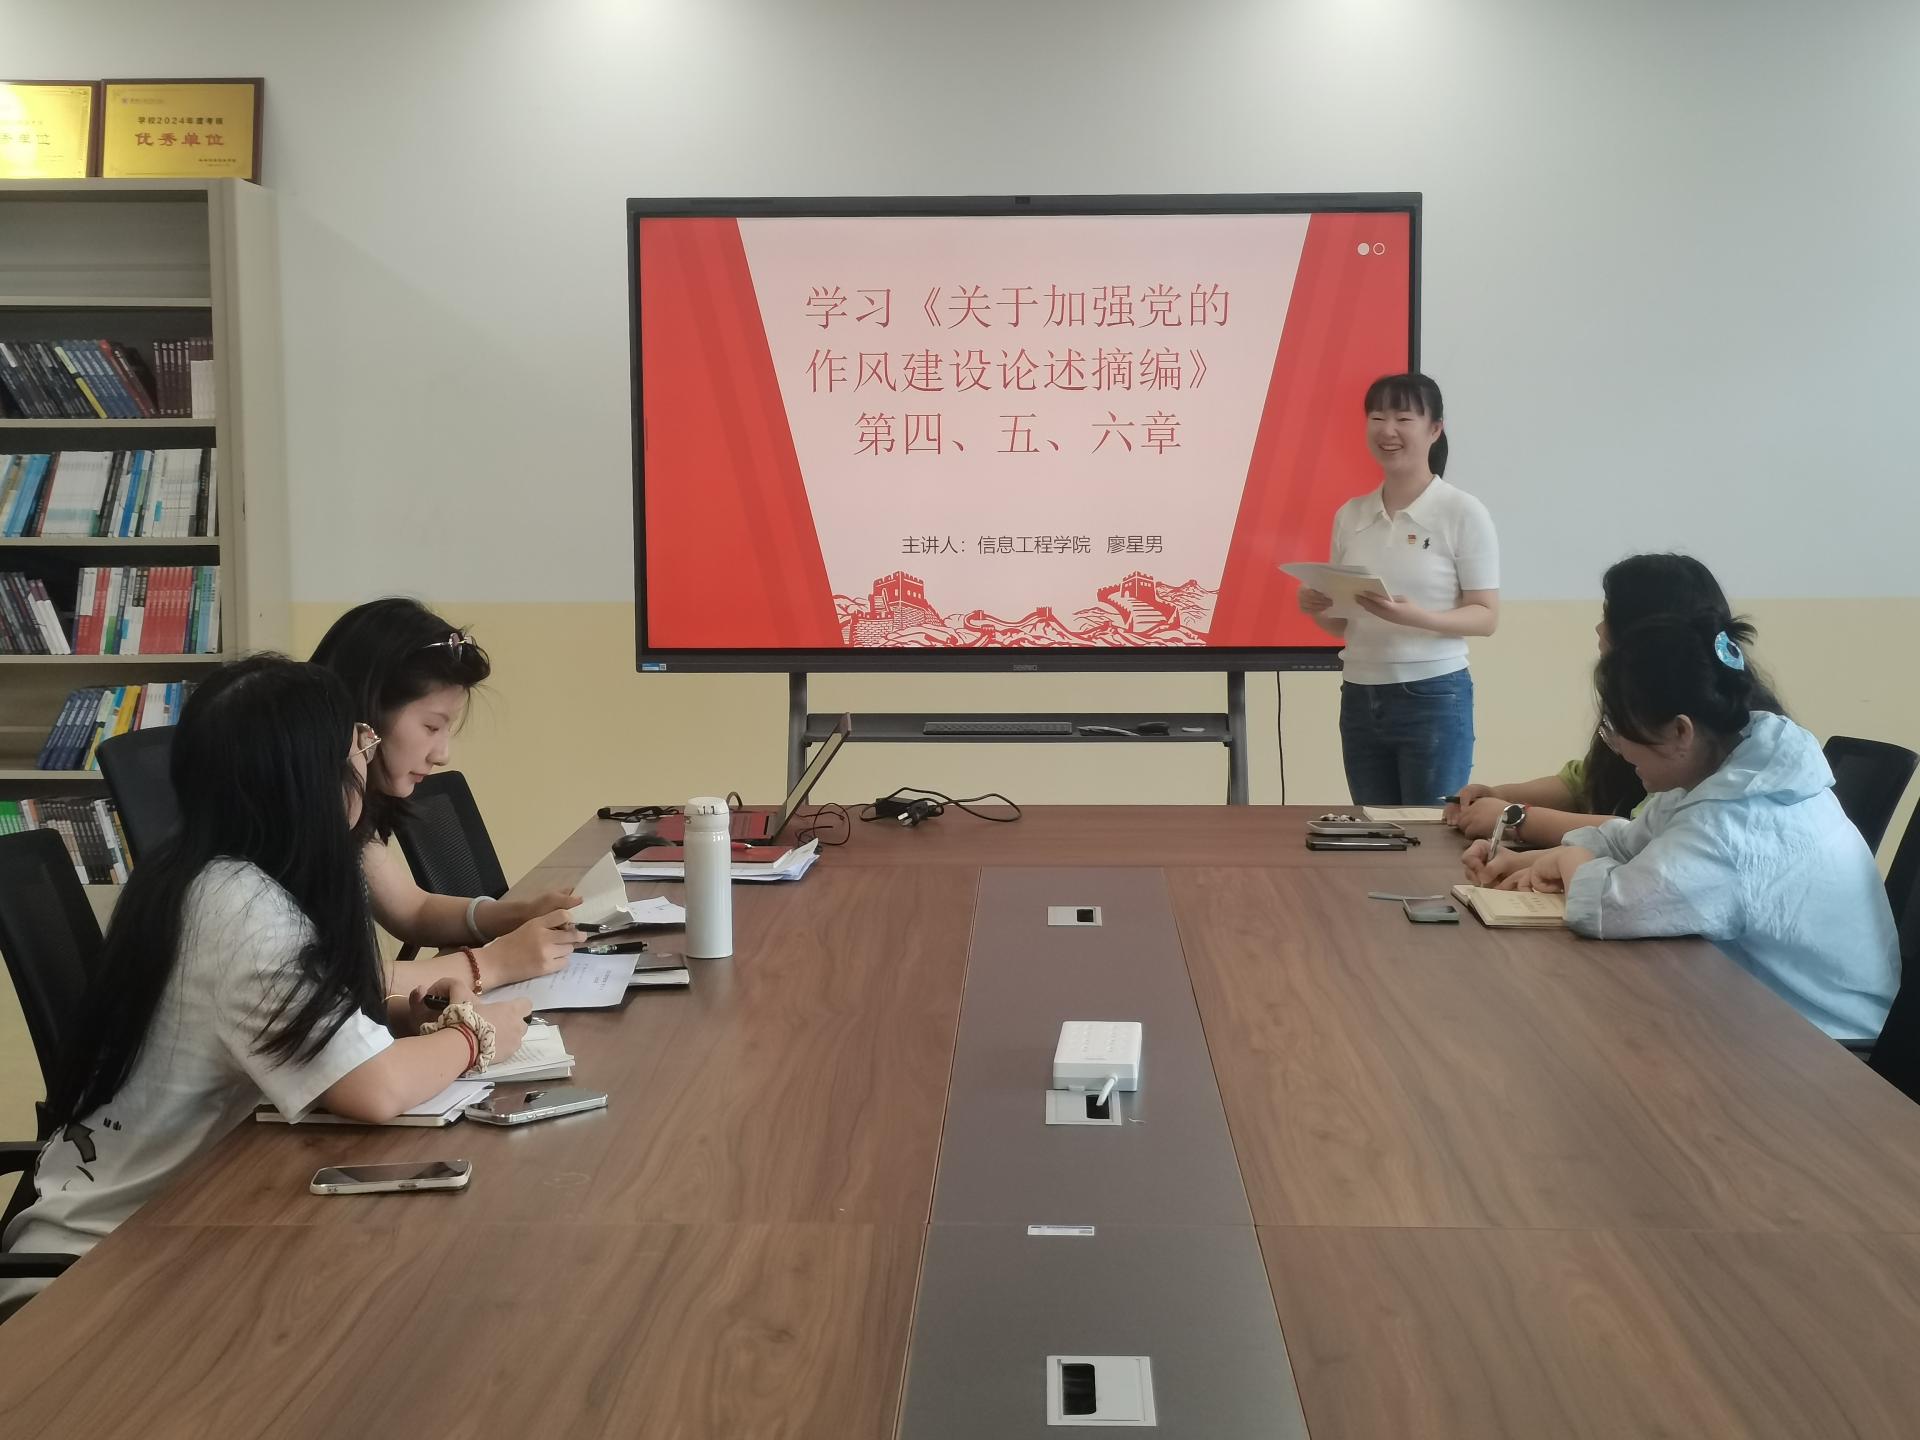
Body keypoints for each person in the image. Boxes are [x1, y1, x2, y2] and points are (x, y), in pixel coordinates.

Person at [0, 657, 531, 1312]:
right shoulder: (238, 908)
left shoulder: (213, 874)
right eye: (357, 745)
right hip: (84, 1280)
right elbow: (376, 1090)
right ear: (306, 779)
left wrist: (396, 1017)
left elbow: (296, 1032)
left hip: (171, 1230)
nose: (367, 760)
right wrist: (476, 1034)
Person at [1464, 614, 1899, 1040]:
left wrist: (1568, 860)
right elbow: (1631, 840)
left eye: (1617, 730)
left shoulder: (1736, 823)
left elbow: (1612, 906)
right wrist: (1531, 861)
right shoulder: (1727, 773)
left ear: (1680, 731)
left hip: (1826, 1041)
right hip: (1760, 1008)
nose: (1616, 748)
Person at [310, 598, 580, 992]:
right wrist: (494, 963)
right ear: (365, 715)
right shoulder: (298, 821)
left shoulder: (347, 808)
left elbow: (412, 909)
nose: (442, 755)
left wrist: (519, 915)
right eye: (432, 727)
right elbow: (326, 987)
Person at [1446, 553, 1778, 846]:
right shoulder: (1656, 706)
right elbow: (1587, 779)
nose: (1598, 629)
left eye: (1609, 617)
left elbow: (1641, 836)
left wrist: (1516, 818)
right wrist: (1501, 795)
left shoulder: (1705, 743)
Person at [1298, 373, 1499, 805]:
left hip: (1432, 693)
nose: (1387, 430)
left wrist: (1416, 617)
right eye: (1377, 417)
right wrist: (1318, 606)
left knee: (1430, 833)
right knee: (1375, 831)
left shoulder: (1462, 511)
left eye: (1403, 418)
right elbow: (1345, 626)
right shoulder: (1351, 514)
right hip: (1359, 692)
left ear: (1435, 429)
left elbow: (1486, 616)